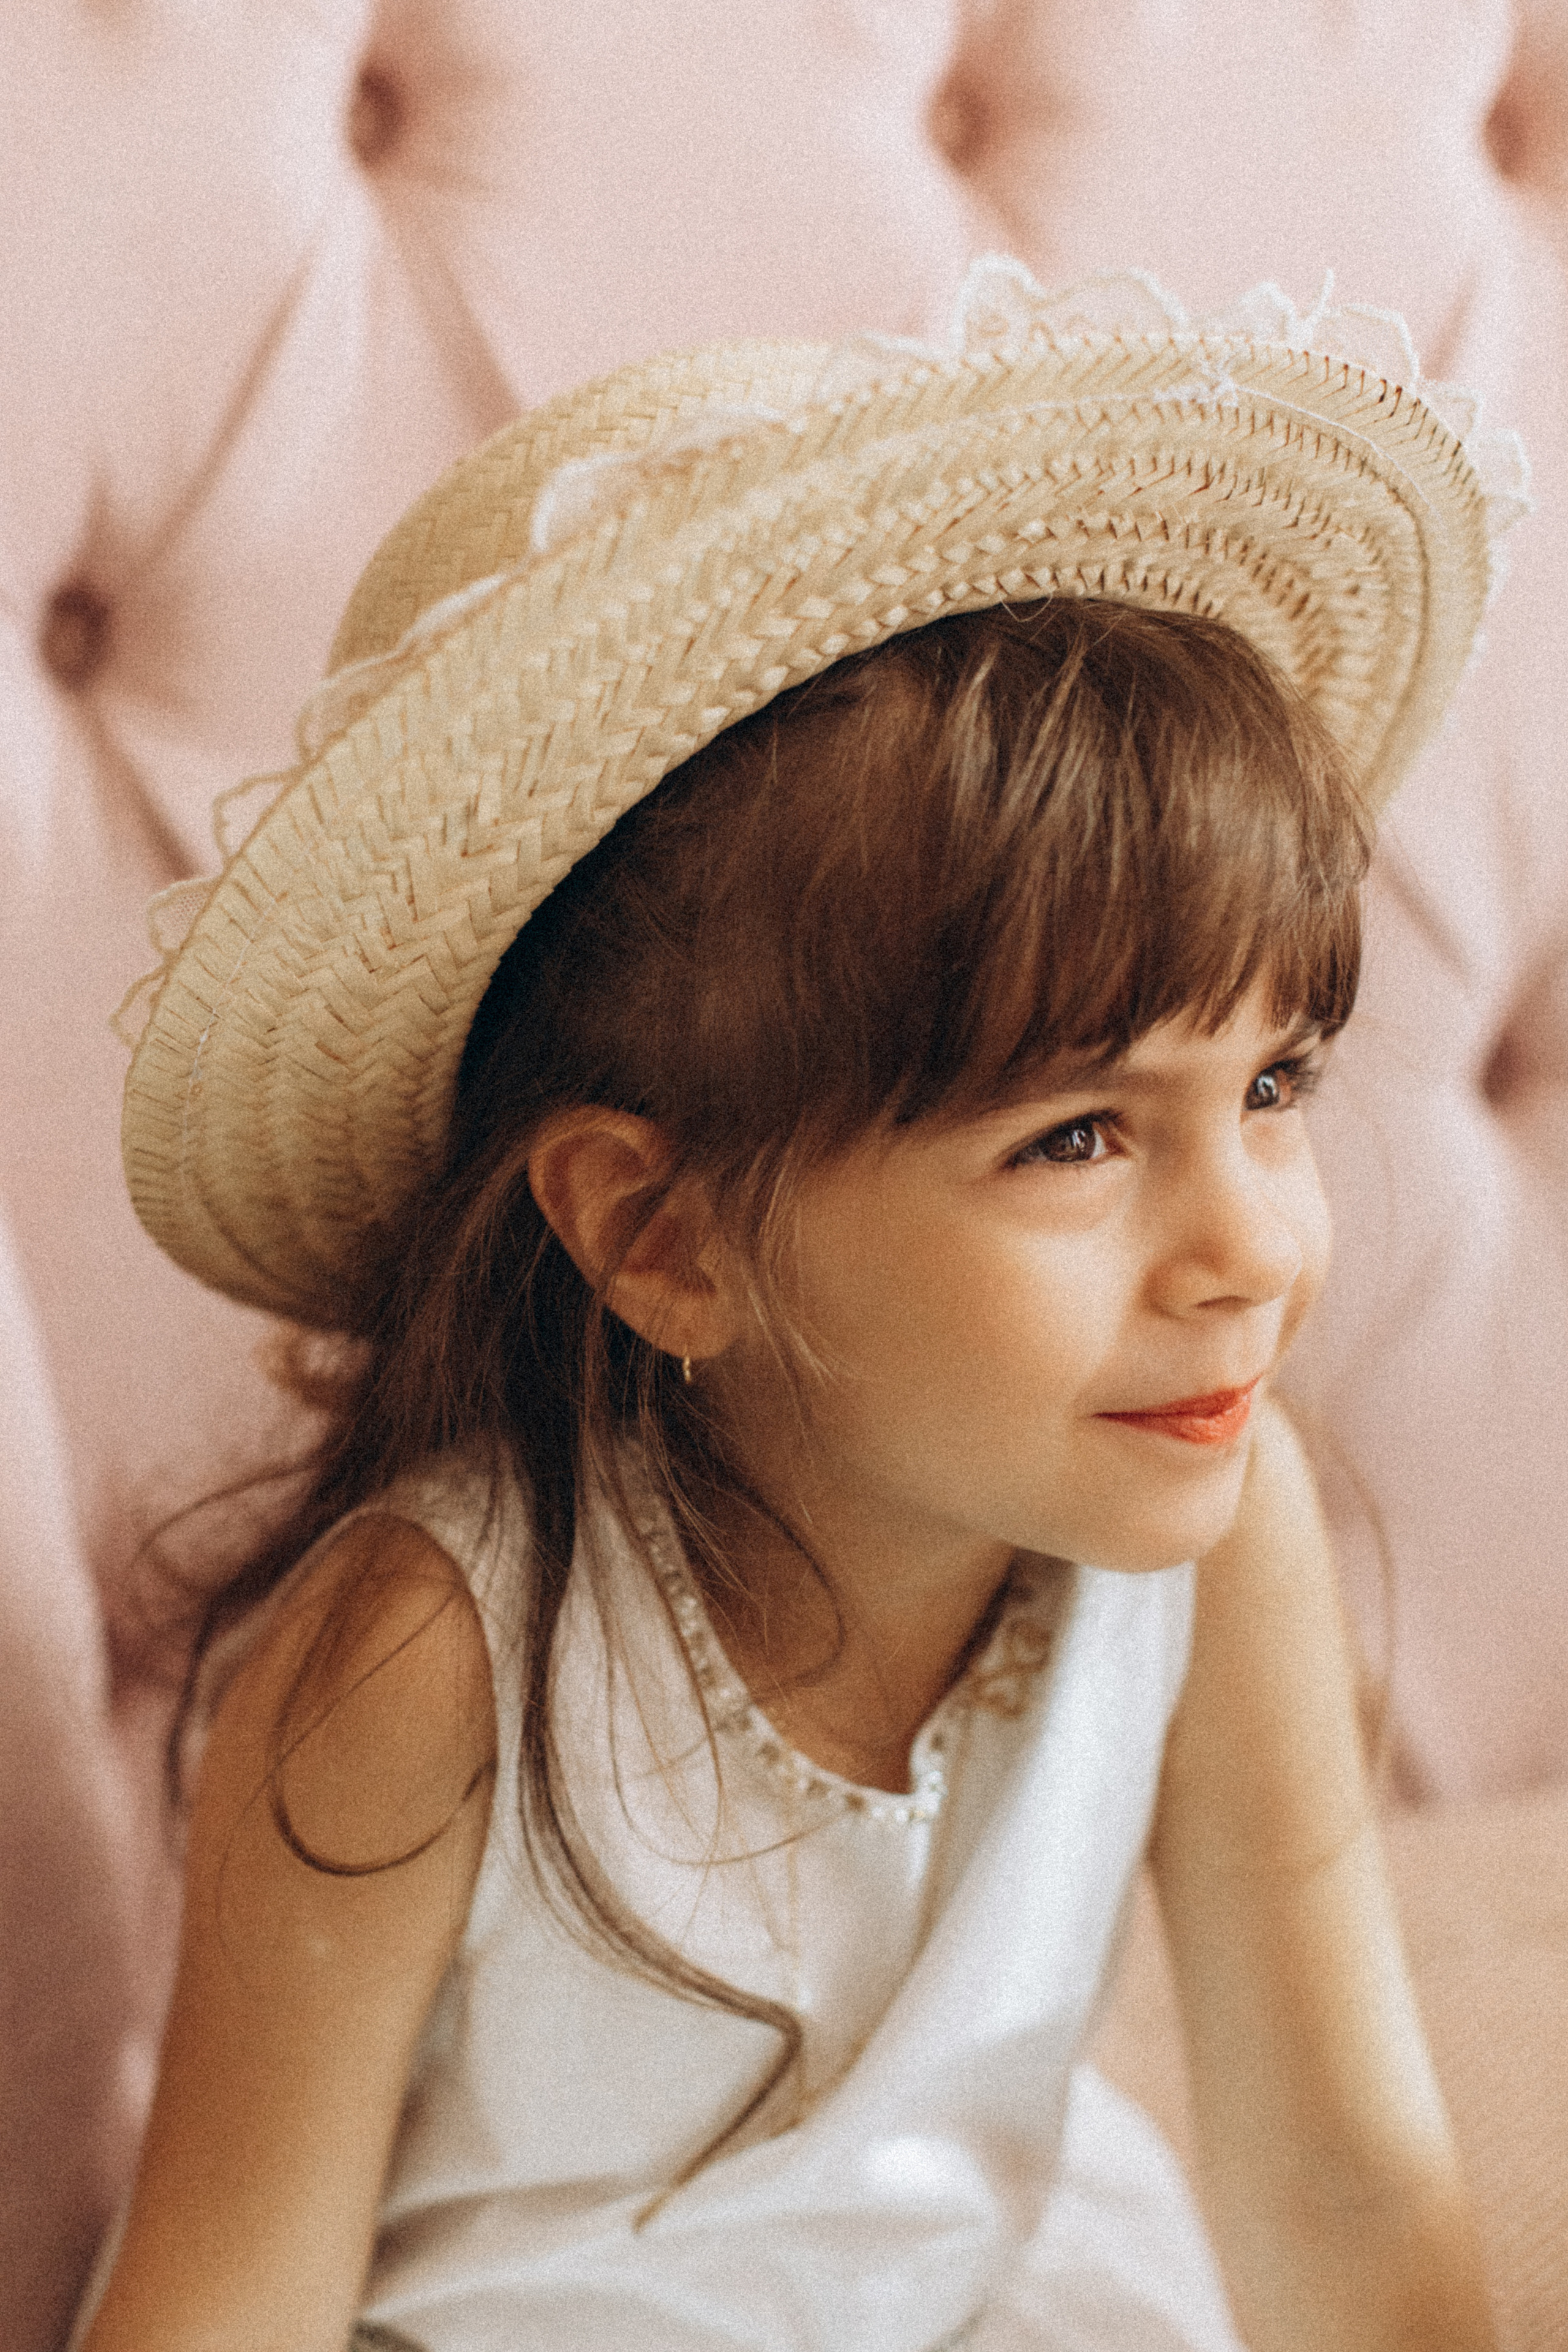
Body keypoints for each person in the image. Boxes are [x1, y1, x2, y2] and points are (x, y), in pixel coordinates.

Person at [77, 265, 1509, 2352]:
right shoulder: (425, 1661)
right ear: (662, 1237)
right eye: (1079, 1137)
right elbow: (228, 2299)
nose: (1256, 1250)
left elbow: (1341, 2182)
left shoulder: (1223, 1528)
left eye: (1273, 1086)